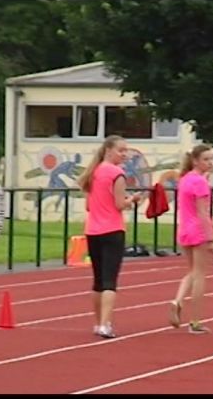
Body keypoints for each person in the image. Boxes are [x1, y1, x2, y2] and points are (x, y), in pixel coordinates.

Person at [77, 135, 141, 338]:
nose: (124, 155)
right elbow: (119, 204)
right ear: (108, 150)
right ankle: (105, 324)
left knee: (97, 280)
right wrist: (132, 200)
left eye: (126, 151)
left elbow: (88, 205)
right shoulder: (116, 173)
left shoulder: (91, 173)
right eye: (121, 150)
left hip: (93, 230)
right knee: (109, 280)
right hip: (112, 230)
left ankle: (98, 323)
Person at [169, 144, 213, 334]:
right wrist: (211, 236)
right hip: (197, 230)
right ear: (196, 160)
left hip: (185, 229)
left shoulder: (185, 179)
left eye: (211, 159)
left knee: (192, 271)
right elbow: (203, 212)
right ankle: (195, 320)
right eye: (206, 159)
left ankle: (177, 300)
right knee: (200, 275)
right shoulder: (199, 182)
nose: (210, 163)